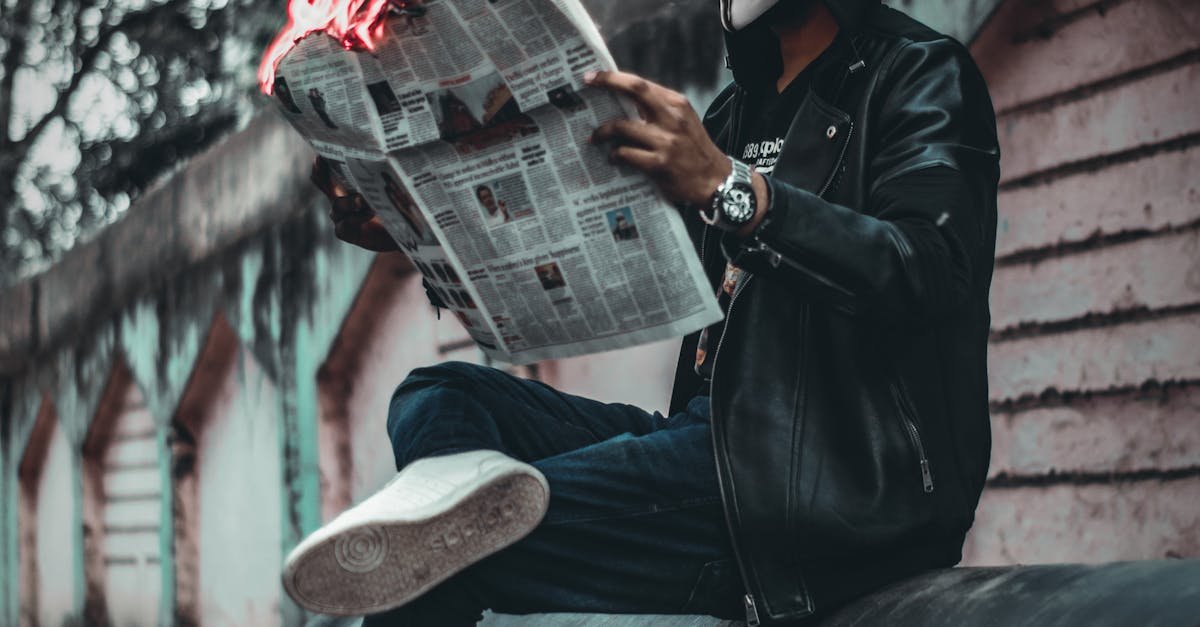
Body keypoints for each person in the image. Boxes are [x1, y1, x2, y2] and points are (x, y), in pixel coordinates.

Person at [293, 0, 999, 624]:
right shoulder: (733, 112)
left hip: (830, 484)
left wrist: (735, 192)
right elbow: (603, 263)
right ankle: (445, 503)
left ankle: (448, 524)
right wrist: (423, 225)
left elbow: (927, 268)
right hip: (713, 444)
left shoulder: (920, 73)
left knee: (448, 553)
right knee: (439, 394)